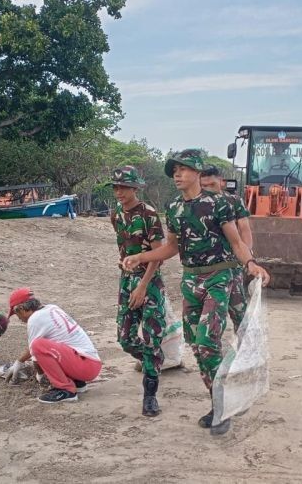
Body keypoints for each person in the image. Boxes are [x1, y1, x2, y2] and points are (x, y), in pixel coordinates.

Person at [123, 149, 270, 435]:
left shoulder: (218, 204)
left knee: (207, 340)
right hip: (191, 280)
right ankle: (219, 401)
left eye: (184, 169)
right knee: (195, 343)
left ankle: (223, 404)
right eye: (175, 170)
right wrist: (142, 257)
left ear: (199, 174)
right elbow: (171, 248)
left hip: (220, 275)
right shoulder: (175, 207)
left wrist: (250, 263)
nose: (177, 174)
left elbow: (237, 242)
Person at [109, 166, 166, 417]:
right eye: (116, 187)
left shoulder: (149, 215)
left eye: (123, 187)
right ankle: (152, 359)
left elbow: (158, 255)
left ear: (135, 189)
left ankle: (150, 396)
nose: (119, 192)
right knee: (124, 337)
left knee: (152, 336)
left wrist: (143, 285)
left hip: (149, 282)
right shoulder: (116, 215)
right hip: (126, 280)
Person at [6, 288, 101, 404]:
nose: (19, 319)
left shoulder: (35, 319)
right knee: (44, 344)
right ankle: (78, 383)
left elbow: (36, 350)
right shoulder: (51, 308)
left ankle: (65, 390)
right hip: (90, 362)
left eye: (17, 314)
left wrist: (41, 376)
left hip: (84, 366)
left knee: (38, 345)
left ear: (21, 309)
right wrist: (19, 361)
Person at [200, 165, 254, 333]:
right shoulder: (195, 204)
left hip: (232, 265)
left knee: (238, 312)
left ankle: (246, 349)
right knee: (210, 315)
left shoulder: (234, 201)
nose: (208, 190)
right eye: (204, 186)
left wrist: (247, 257)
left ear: (222, 182)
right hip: (207, 267)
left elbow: (244, 228)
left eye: (212, 185)